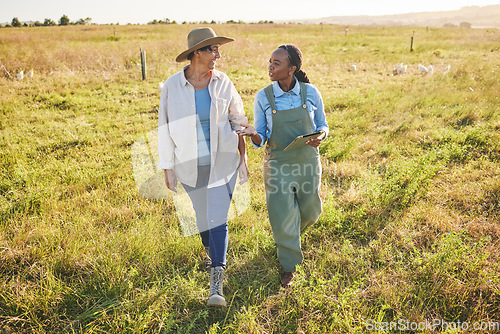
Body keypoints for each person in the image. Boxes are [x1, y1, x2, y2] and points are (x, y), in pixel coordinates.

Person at [158, 27, 248, 307]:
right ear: (196, 53)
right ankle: (211, 252)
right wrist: (168, 167)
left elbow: (238, 122)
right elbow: (164, 128)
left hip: (224, 162)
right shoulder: (172, 86)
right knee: (202, 219)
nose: (218, 55)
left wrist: (244, 160)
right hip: (190, 165)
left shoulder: (223, 82)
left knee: (218, 219)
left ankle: (216, 282)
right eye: (213, 49)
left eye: (218, 49)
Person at [238, 44, 328, 288]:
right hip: (277, 162)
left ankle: (289, 237)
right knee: (282, 215)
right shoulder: (263, 96)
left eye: (276, 63)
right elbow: (262, 138)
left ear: (292, 69)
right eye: (270, 61)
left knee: (312, 210)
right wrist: (253, 134)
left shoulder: (310, 93)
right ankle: (290, 265)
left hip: (308, 160)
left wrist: (321, 137)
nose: (270, 66)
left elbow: (323, 124)